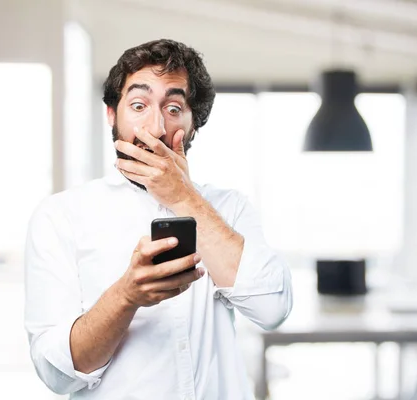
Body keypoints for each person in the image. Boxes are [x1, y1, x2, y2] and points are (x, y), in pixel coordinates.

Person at [24, 39, 293, 400]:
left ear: (193, 123)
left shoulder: (229, 208)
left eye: (173, 107)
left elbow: (271, 309)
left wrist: (183, 197)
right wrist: (126, 295)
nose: (154, 126)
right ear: (111, 114)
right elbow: (57, 374)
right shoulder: (61, 217)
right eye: (138, 105)